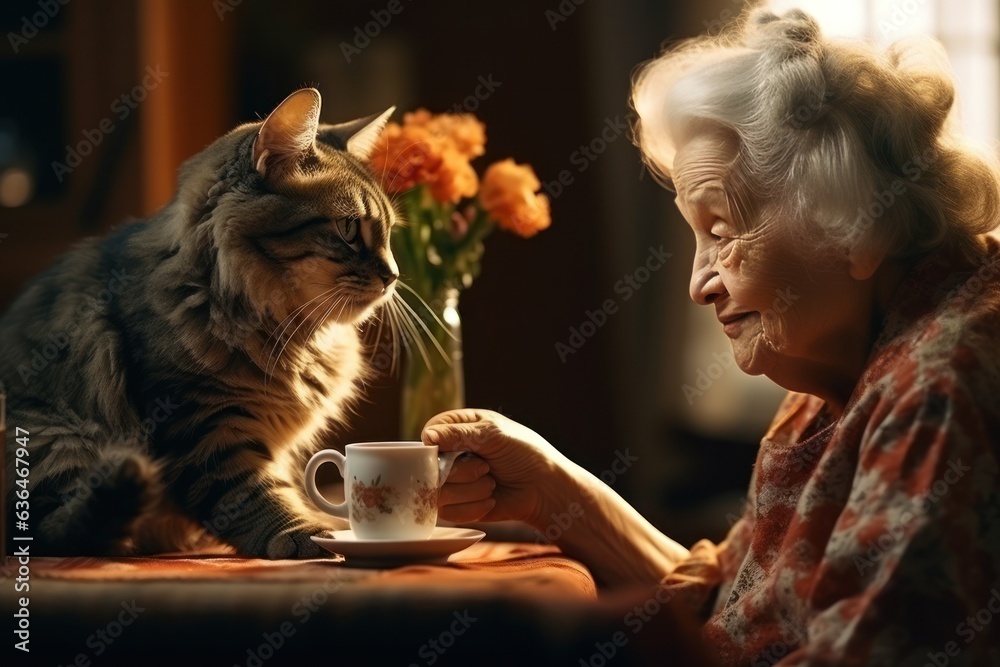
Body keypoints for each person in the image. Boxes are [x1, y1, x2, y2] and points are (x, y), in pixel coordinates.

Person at [423, 8, 1000, 666]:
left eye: (722, 232)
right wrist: (552, 491)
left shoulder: (941, 381)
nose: (700, 284)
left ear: (852, 217)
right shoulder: (839, 363)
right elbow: (737, 608)